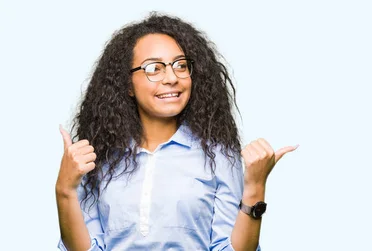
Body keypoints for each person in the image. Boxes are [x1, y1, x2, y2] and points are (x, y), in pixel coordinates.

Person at [55, 13, 297, 251]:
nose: (172, 77)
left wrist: (255, 186)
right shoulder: (98, 157)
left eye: (181, 65)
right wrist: (64, 190)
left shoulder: (218, 156)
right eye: (154, 68)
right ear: (127, 84)